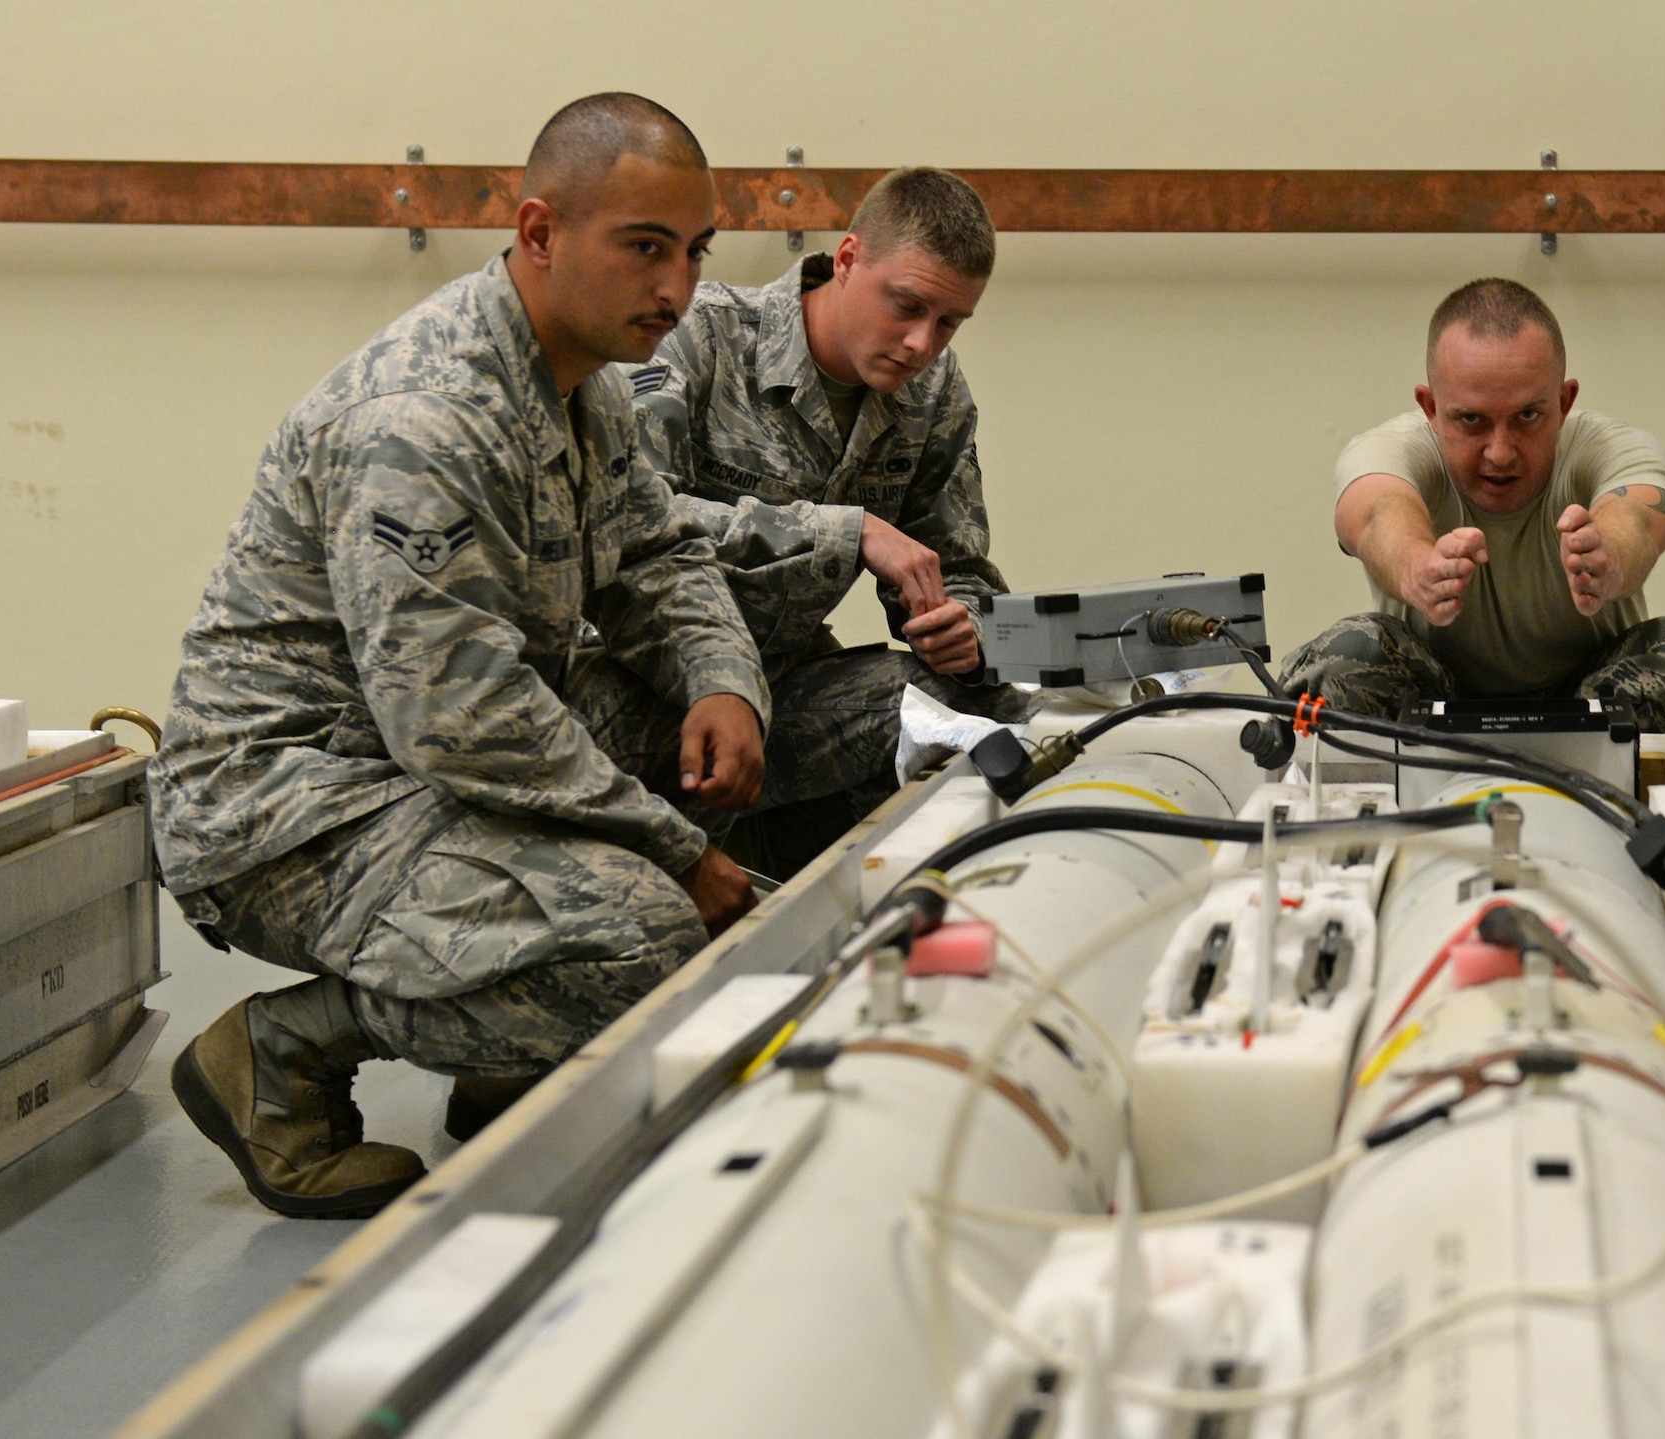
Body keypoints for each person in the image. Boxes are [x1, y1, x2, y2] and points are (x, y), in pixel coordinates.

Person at [150, 94, 770, 1218]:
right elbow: (461, 716)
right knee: (645, 938)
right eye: (644, 248)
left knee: (744, 741)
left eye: (693, 252)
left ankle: (509, 1007)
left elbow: (660, 557)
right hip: (287, 801)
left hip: (414, 756)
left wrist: (722, 680)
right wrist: (676, 850)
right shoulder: (425, 415)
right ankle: (280, 1052)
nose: (678, 289)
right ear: (539, 233)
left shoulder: (586, 387)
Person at [624, 167, 1032, 874]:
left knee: (980, 707)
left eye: (948, 322)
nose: (920, 344)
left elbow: (957, 564)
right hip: (650, 689)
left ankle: (848, 895)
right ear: (846, 261)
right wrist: (849, 532)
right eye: (905, 306)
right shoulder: (702, 339)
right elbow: (631, 520)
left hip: (785, 689)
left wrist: (961, 626)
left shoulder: (933, 393)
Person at [1280, 277, 1665, 755]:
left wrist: (1611, 554)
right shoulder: (1392, 449)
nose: (1501, 454)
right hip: (1434, 715)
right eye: (1471, 420)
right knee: (1345, 657)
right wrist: (1415, 567)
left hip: (1595, 709)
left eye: (1528, 416)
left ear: (1565, 402)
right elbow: (1378, 511)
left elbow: (1640, 515)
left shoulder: (1609, 447)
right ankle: (1360, 824)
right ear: (1431, 408)